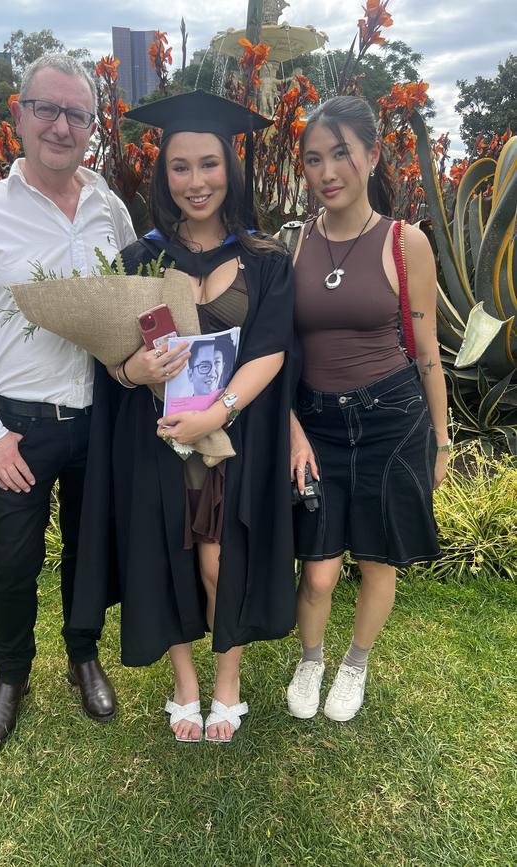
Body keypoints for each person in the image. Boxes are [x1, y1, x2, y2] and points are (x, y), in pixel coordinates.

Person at [71, 90, 297, 743]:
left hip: (232, 439)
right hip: (159, 441)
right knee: (164, 555)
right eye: (180, 166)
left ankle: (227, 681)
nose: (196, 181)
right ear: (163, 175)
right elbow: (116, 358)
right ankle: (186, 684)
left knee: (221, 563)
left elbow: (272, 351)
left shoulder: (264, 260)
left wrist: (217, 413)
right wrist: (131, 370)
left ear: (230, 166)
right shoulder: (138, 260)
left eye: (208, 163)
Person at [0, 54, 136, 752]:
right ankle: (11, 674)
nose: (61, 125)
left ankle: (82, 656)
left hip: (98, 417)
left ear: (91, 128)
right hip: (19, 424)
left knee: (87, 550)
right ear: (19, 114)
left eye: (77, 114)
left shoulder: (111, 207)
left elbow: (139, 303)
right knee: (13, 562)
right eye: (47, 108)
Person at [286, 95, 449, 723]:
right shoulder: (294, 246)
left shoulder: (404, 243)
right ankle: (311, 658)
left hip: (392, 418)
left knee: (379, 558)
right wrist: (292, 426)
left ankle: (354, 664)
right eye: (313, 159)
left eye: (341, 155)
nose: (327, 172)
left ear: (372, 155)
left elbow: (428, 349)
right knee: (319, 570)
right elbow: (280, 348)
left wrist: (442, 437)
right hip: (318, 425)